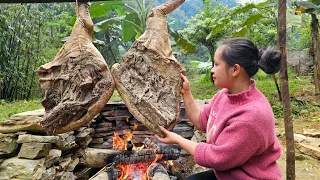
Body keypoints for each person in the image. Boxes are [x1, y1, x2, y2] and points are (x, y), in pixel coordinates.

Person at [155, 37, 282, 180]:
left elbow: (216, 158)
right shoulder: (224, 95)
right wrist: (187, 92)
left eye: (216, 64)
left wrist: (178, 140)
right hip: (228, 173)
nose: (212, 70)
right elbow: (201, 121)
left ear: (235, 69)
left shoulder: (251, 116)